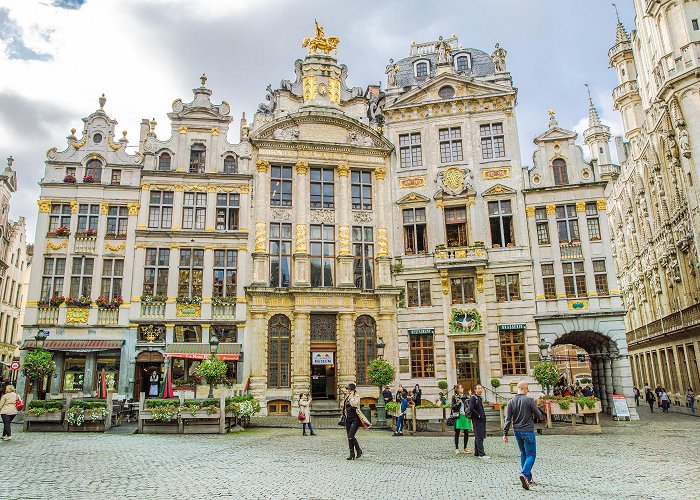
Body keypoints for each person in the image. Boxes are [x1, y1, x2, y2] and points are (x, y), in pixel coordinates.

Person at [503, 381, 544, 491]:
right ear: (524, 389)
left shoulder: (511, 401)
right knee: (531, 454)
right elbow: (539, 416)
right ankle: (524, 474)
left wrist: (505, 433)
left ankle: (528, 479)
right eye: (528, 389)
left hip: (517, 431)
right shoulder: (529, 400)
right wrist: (538, 408)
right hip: (528, 431)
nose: (528, 391)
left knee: (523, 453)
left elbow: (507, 419)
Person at [341, 383, 363, 460]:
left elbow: (354, 404)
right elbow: (343, 406)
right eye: (347, 389)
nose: (348, 391)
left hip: (355, 419)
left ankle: (358, 450)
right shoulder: (347, 397)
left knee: (351, 436)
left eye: (349, 389)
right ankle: (352, 453)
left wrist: (351, 397)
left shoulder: (357, 397)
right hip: (348, 419)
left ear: (353, 390)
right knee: (349, 437)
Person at [469, 384, 489, 458]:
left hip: (481, 420)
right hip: (477, 420)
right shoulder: (473, 398)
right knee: (479, 436)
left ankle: (477, 453)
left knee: (478, 436)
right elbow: (471, 408)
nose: (480, 389)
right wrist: (478, 415)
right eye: (479, 388)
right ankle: (482, 454)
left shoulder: (479, 398)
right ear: (475, 389)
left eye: (481, 388)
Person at [451, 384, 471, 455]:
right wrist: (457, 404)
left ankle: (465, 448)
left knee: (466, 432)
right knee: (457, 432)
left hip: (465, 415)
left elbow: (470, 404)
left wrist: (470, 396)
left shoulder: (465, 396)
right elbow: (452, 407)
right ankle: (457, 448)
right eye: (461, 387)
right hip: (458, 416)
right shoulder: (454, 397)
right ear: (458, 389)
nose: (463, 388)